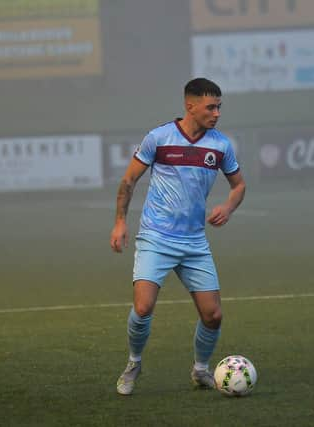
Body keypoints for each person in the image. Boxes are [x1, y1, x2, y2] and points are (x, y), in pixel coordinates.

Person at [110, 77, 245, 395]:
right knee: (143, 308)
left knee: (213, 315)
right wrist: (119, 222)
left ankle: (200, 370)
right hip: (156, 237)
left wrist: (228, 206)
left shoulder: (220, 145)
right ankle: (134, 363)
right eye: (211, 107)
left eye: (219, 107)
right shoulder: (159, 138)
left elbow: (239, 185)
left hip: (194, 241)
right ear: (190, 105)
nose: (217, 113)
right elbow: (128, 181)